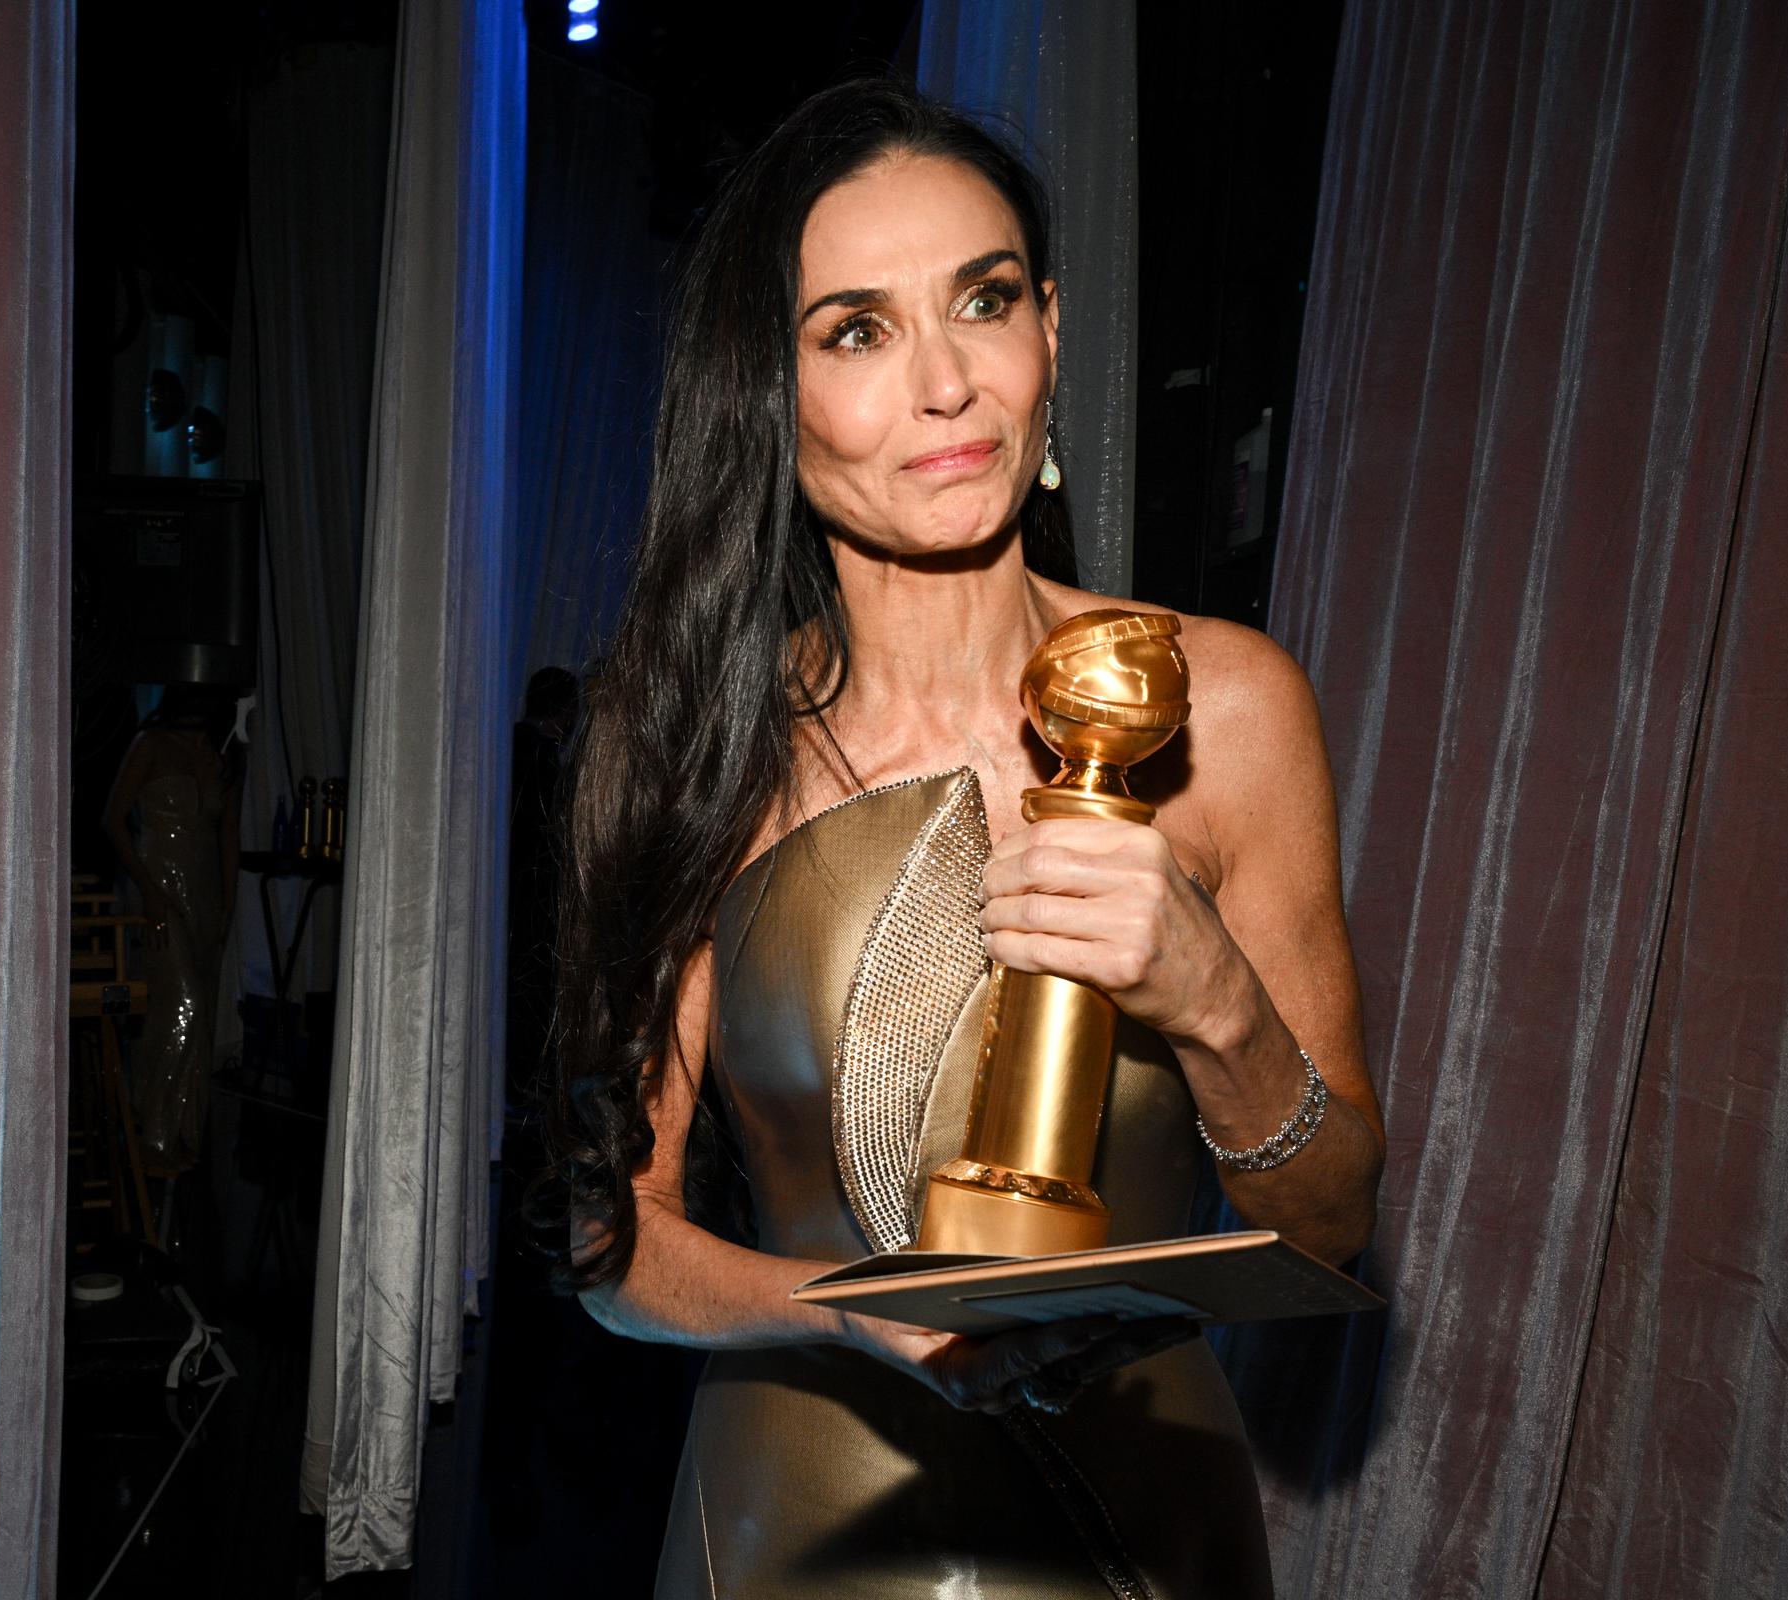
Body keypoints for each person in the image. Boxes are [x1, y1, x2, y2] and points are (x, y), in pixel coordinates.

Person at [537, 80, 1384, 1599]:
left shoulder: (1227, 708)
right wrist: (841, 1309)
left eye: (982, 302)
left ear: (1050, 331)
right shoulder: (692, 749)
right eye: (856, 330)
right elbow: (613, 1246)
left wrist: (1214, 1001)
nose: (946, 384)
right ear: (769, 393)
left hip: (1139, 1532)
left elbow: (1329, 1227)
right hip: (797, 1521)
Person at [103, 683, 244, 1165]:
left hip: (204, 892)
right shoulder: (152, 744)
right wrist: (147, 889)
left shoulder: (224, 756)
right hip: (159, 887)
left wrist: (230, 902)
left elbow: (228, 833)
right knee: (184, 1001)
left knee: (200, 1005)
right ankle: (152, 1129)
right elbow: (113, 819)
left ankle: (186, 1131)